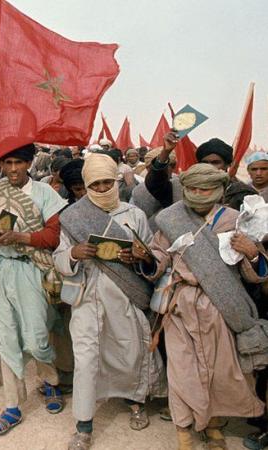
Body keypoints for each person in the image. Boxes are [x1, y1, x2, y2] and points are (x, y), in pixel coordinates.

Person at [137, 163, 267, 450]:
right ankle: (184, 430)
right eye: (192, 188)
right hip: (180, 305)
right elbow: (159, 258)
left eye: (205, 189)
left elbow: (250, 273)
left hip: (220, 306)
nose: (198, 194)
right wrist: (146, 258)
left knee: (219, 370)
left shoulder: (234, 219)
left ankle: (213, 427)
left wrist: (253, 253)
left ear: (219, 190)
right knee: (183, 371)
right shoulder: (169, 218)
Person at [54, 153, 166, 450]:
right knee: (87, 361)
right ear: (86, 185)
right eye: (96, 184)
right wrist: (74, 254)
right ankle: (83, 425)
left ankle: (135, 401)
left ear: (116, 181)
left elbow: (153, 258)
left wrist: (140, 258)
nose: (103, 189)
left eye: (107, 182)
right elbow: (59, 258)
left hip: (124, 295)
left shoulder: (134, 214)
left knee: (129, 352)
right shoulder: (73, 216)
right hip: (86, 297)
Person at [0, 144, 68, 436]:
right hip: (2, 268)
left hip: (33, 268)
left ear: (30, 163)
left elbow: (54, 236)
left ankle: (51, 381)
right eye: (7, 163)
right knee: (7, 337)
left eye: (18, 162)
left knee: (35, 339)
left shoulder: (46, 193)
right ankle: (12, 406)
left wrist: (20, 236)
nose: (12, 169)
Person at [146, 133, 257, 211]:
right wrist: (166, 151)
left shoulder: (243, 194)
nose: (209, 167)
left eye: (215, 162)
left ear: (228, 165)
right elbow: (155, 184)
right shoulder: (181, 189)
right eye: (205, 162)